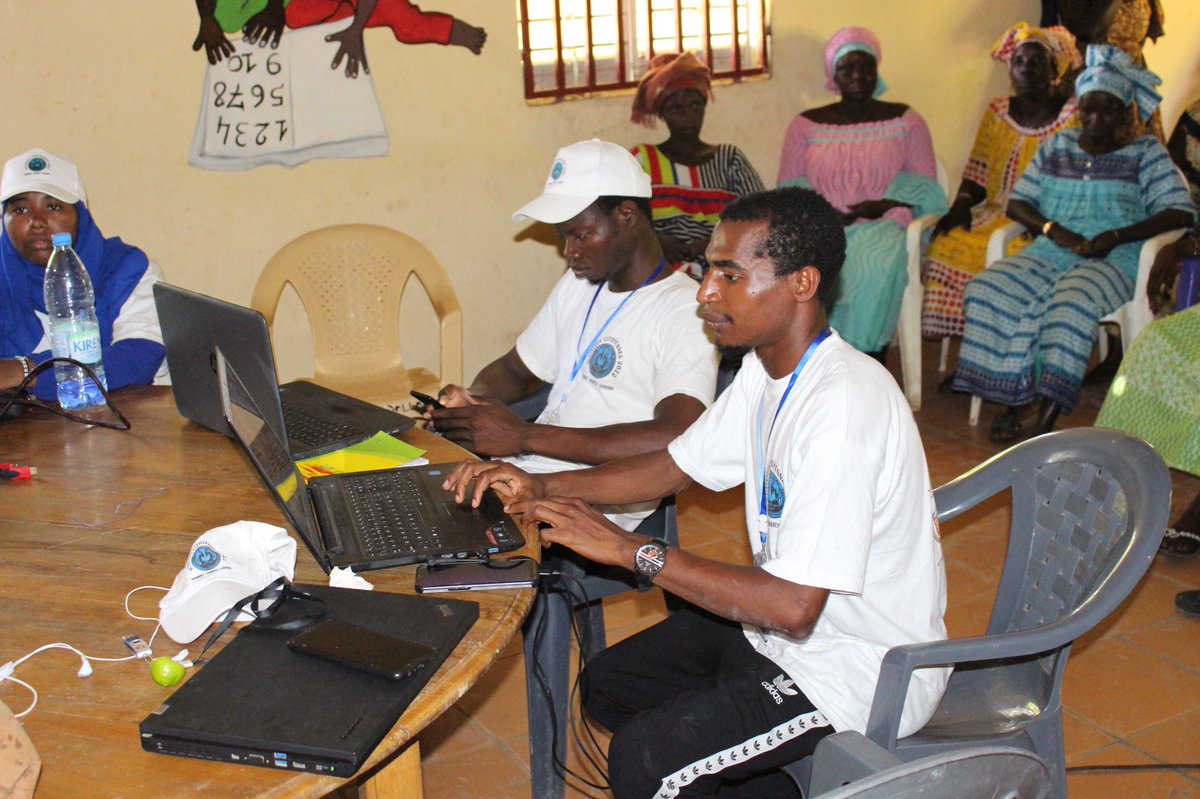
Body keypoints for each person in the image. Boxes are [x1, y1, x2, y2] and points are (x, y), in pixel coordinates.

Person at [445, 187, 949, 798]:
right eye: (710, 268)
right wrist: (540, 484)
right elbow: (673, 466)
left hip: (859, 670)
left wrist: (633, 551)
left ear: (802, 283)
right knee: (612, 685)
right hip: (787, 641)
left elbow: (792, 606)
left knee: (649, 758)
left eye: (730, 274)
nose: (705, 290)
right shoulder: (769, 371)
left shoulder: (841, 408)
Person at [429, 138, 718, 531]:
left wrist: (523, 436)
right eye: (563, 236)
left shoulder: (683, 309)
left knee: (448, 534)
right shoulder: (580, 284)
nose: (569, 251)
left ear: (627, 216)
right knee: (419, 495)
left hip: (603, 494)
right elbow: (515, 370)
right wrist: (472, 404)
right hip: (533, 466)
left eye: (580, 235)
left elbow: (676, 435)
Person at [951, 45, 1195, 444]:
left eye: (1108, 110)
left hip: (1115, 259)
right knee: (987, 289)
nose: (1097, 119)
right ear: (1079, 108)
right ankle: (1014, 400)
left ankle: (1045, 415)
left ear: (1125, 111)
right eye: (1089, 110)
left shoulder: (1144, 153)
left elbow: (1179, 211)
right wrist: (1054, 230)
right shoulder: (1057, 148)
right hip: (1050, 251)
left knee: (1069, 306)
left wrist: (1116, 236)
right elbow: (1018, 203)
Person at [778, 27, 946, 362]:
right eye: (847, 68)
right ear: (833, 75)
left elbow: (924, 182)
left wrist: (883, 203)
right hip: (822, 222)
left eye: (866, 67)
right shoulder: (806, 125)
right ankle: (819, 360)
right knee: (805, 268)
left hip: (883, 222)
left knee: (872, 266)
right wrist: (823, 210)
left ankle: (868, 358)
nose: (858, 75)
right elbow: (789, 184)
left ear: (877, 71)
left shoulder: (905, 120)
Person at [921, 23, 1081, 341]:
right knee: (945, 243)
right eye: (1019, 62)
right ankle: (974, 341)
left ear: (1055, 70)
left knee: (1011, 251)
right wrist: (962, 204)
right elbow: (979, 169)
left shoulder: (1071, 115)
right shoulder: (998, 111)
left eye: (1036, 62)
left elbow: (1077, 179)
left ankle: (1004, 342)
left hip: (1046, 219)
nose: (1025, 69)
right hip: (997, 212)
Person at [1, 148, 168, 401]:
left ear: (81, 214)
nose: (37, 221)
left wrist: (27, 371)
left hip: (132, 425)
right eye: (21, 210)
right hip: (27, 434)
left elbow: (140, 355)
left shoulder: (129, 268)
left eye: (53, 206)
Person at [629, 52, 766, 279]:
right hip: (659, 276)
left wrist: (715, 242)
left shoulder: (729, 159)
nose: (689, 116)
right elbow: (625, 220)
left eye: (696, 105)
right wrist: (657, 241)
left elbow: (760, 219)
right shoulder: (642, 160)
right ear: (662, 113)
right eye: (677, 109)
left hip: (722, 276)